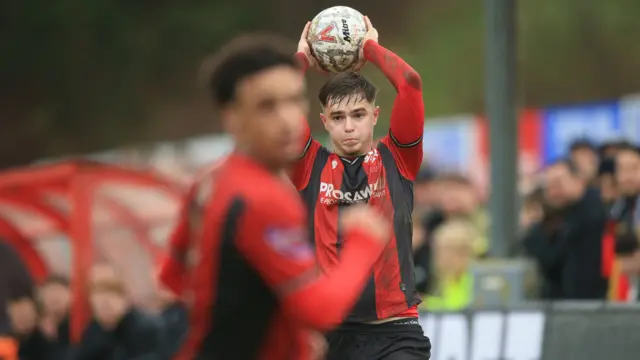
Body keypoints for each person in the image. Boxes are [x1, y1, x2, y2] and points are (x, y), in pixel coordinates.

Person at [160, 34, 392, 360]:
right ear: (231, 116)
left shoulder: (209, 181)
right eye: (266, 107)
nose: (288, 120)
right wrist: (362, 242)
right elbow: (319, 311)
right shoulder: (262, 198)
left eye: (296, 100)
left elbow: (172, 280)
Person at [294, 18, 431, 360]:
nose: (349, 126)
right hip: (330, 336)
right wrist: (301, 60)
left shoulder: (398, 157)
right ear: (323, 121)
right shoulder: (308, 165)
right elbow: (278, 106)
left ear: (375, 116)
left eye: (358, 114)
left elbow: (410, 83)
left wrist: (369, 47)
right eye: (338, 117)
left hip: (396, 332)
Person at [523, 159, 608, 299]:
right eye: (548, 187)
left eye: (558, 184)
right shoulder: (552, 218)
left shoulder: (594, 213)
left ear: (579, 181)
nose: (553, 192)